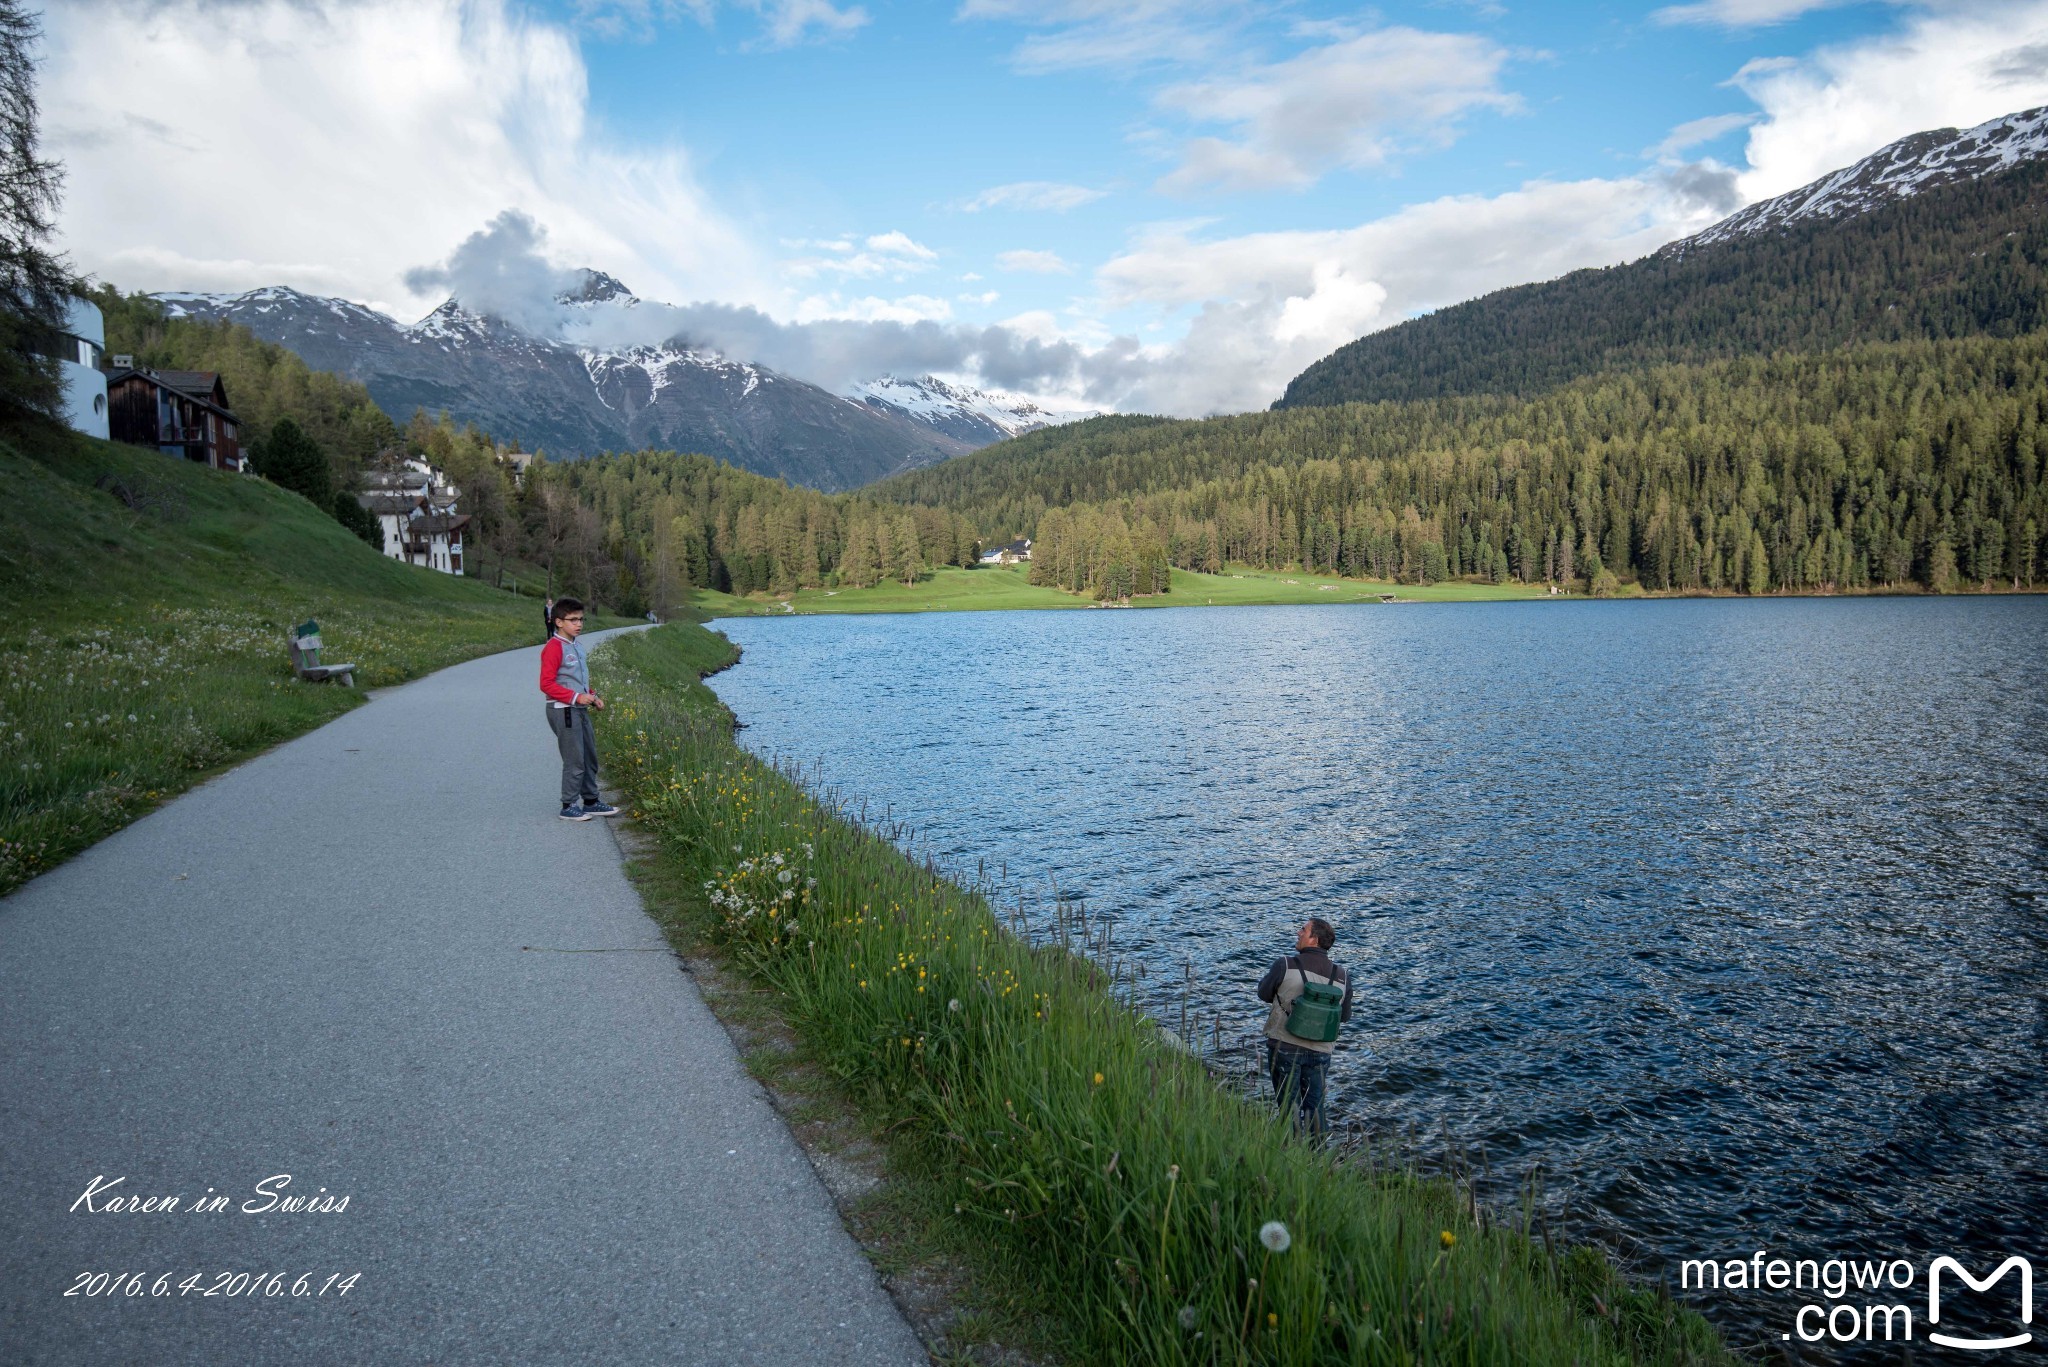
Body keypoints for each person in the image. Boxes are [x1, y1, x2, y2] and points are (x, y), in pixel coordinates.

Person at [1255, 918, 1352, 1140]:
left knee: (1288, 1106)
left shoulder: (1285, 964)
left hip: (1284, 1046)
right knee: (1315, 1107)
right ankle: (1318, 1159)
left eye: (1303, 930)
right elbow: (1344, 1017)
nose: (1298, 932)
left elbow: (1263, 993)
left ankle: (1289, 1155)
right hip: (1321, 1051)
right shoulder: (1342, 975)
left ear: (1314, 939)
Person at [538, 599, 620, 821]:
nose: (579, 624)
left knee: (590, 756)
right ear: (558, 622)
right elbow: (546, 684)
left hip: (579, 708)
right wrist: (576, 697)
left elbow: (577, 680)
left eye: (581, 619)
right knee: (574, 758)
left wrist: (592, 696)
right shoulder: (553, 647)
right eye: (572, 620)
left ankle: (591, 801)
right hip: (563, 709)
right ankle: (568, 805)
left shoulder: (576, 646)